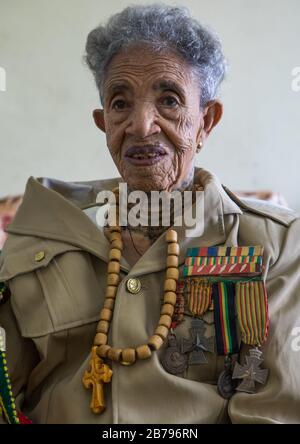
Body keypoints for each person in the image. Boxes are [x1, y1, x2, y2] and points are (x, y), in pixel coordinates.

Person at [0, 3, 300, 424]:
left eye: (169, 100)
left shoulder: (278, 242)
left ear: (206, 122)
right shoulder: (41, 233)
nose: (141, 125)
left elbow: (276, 409)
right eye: (120, 103)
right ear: (104, 123)